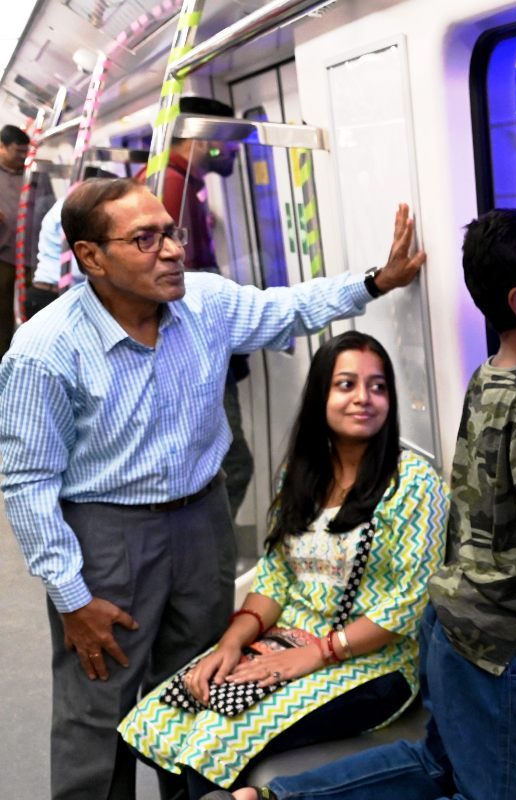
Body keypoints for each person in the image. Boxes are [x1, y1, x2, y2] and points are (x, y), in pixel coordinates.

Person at [212, 208, 516, 800]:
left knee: (435, 763)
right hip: (499, 644)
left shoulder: (488, 378)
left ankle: (275, 798)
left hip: (453, 620)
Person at [0, 177, 427, 800]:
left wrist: (374, 282)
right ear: (91, 257)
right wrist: (71, 596)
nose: (171, 250)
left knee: (198, 679)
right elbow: (28, 480)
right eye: (145, 239)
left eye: (169, 232)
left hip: (202, 520)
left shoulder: (205, 304)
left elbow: (288, 306)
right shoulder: (45, 351)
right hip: (106, 533)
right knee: (98, 705)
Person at [119, 330, 449, 798]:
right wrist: (230, 645)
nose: (364, 399)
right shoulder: (301, 474)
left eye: (378, 387)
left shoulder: (414, 483)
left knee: (214, 738)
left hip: (373, 665)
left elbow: (409, 605)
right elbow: (274, 578)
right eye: (347, 385)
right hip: (286, 640)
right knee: (171, 713)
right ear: (320, 396)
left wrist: (316, 653)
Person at [137, 96, 254, 517]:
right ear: (203, 140)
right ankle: (204, 557)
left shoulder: (179, 184)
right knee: (233, 464)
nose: (235, 150)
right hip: (191, 345)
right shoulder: (169, 188)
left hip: (192, 341)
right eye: (229, 140)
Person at [26, 169, 108, 318]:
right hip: (53, 294)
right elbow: (77, 265)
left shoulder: (65, 205)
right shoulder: (73, 210)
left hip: (47, 291)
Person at [0, 124, 31, 356]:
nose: (23, 157)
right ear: (1, 148)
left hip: (30, 256)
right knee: (2, 311)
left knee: (31, 309)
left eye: (25, 152)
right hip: (2, 254)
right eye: (17, 151)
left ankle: (26, 353)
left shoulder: (33, 174)